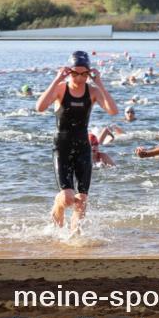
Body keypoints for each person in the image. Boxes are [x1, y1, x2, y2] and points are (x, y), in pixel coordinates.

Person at [36, 51, 117, 233]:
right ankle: (57, 208)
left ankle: (75, 238)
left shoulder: (93, 91)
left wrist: (100, 84)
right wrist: (57, 79)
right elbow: (39, 107)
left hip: (83, 148)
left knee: (81, 200)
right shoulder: (61, 89)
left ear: (89, 73)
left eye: (83, 74)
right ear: (68, 71)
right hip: (62, 148)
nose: (79, 78)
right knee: (66, 197)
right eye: (75, 73)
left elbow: (112, 111)